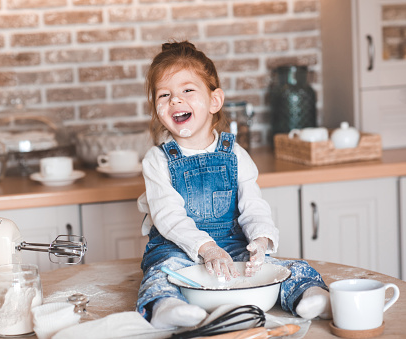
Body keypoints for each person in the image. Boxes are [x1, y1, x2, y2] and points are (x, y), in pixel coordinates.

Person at [136, 40, 332, 329]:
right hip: (176, 247)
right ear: (156, 108)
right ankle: (166, 305)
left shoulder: (236, 155)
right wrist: (207, 249)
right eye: (164, 95)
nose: (175, 101)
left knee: (285, 269)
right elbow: (169, 218)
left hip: (232, 246)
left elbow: (254, 207)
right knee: (162, 272)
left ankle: (308, 295)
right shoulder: (157, 160)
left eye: (187, 90)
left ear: (215, 101)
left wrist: (261, 240)